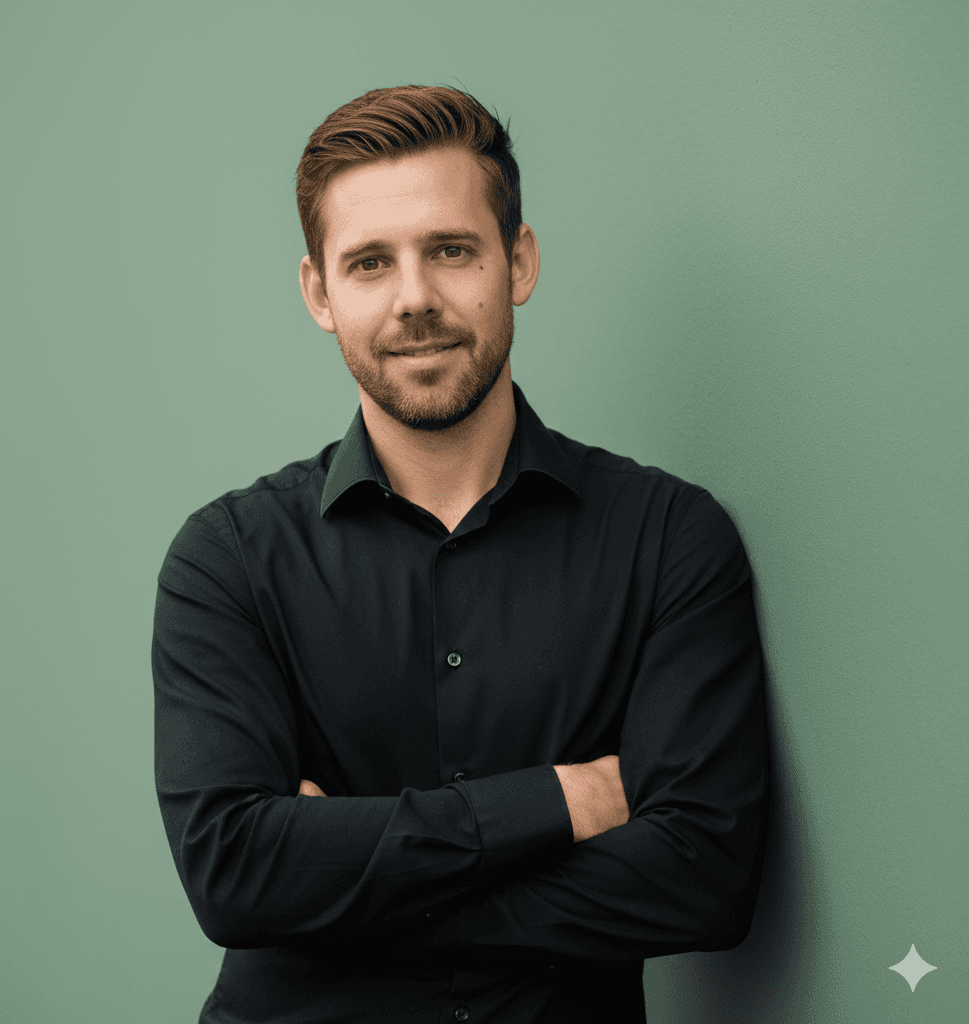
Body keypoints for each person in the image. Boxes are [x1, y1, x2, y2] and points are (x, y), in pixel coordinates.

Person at [152, 84, 769, 1024]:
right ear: (320, 293)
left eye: (450, 250)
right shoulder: (228, 560)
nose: (415, 300)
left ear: (517, 261)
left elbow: (700, 879)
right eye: (369, 263)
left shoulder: (668, 537)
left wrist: (340, 882)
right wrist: (561, 802)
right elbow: (236, 875)